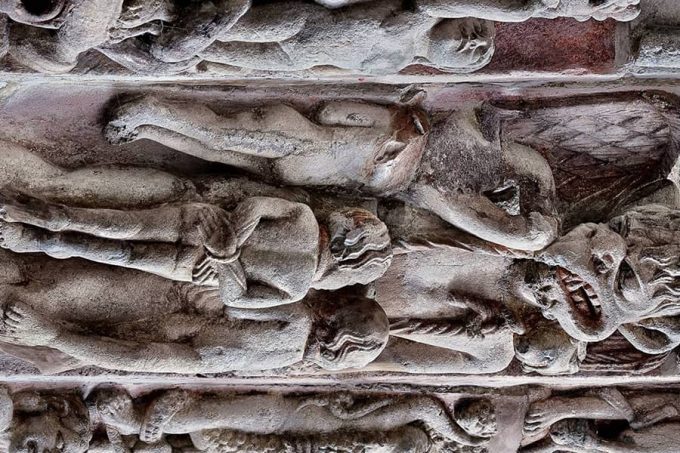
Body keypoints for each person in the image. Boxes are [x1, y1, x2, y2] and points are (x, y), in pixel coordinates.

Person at [0, 193, 392, 308]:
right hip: (197, 253)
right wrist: (224, 253)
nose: (352, 215)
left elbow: (236, 296)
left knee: (125, 228)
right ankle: (45, 233)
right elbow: (254, 208)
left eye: (358, 222)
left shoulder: (304, 228)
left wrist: (224, 254)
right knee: (124, 250)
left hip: (197, 235)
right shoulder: (297, 277)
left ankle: (54, 223)